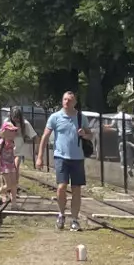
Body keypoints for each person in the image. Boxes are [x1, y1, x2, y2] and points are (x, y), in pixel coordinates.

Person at [36, 90, 92, 231]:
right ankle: (61, 214)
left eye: (70, 100)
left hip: (77, 158)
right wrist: (40, 156)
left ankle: (74, 219)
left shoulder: (81, 118)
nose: (66, 102)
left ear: (75, 102)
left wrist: (84, 134)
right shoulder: (55, 117)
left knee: (76, 189)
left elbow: (91, 136)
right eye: (65, 99)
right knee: (61, 187)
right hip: (61, 157)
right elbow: (45, 136)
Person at [0, 108, 22, 203]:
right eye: (11, 131)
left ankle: (14, 203)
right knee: (8, 185)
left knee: (14, 184)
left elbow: (13, 152)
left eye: (14, 131)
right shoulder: (2, 141)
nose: (13, 133)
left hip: (11, 164)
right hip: (4, 164)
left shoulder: (12, 141)